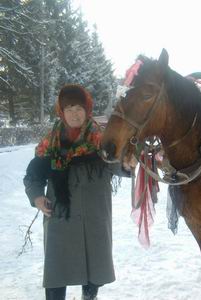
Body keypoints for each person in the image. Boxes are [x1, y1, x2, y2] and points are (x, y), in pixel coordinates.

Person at [23, 85, 131, 300]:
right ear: (61, 112)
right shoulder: (51, 142)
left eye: (79, 108)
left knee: (94, 271)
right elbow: (33, 175)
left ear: (87, 109)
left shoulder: (102, 139)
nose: (74, 113)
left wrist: (128, 164)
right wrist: (36, 197)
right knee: (57, 272)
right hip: (60, 216)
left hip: (94, 216)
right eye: (69, 108)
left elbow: (116, 164)